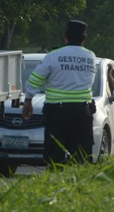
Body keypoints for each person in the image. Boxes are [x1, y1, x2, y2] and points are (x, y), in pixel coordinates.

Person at [22, 20, 98, 166]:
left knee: (54, 156)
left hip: (57, 114)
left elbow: (34, 80)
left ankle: (54, 185)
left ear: (65, 35)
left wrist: (27, 102)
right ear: (84, 38)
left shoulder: (53, 56)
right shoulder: (91, 57)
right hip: (82, 113)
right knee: (81, 158)